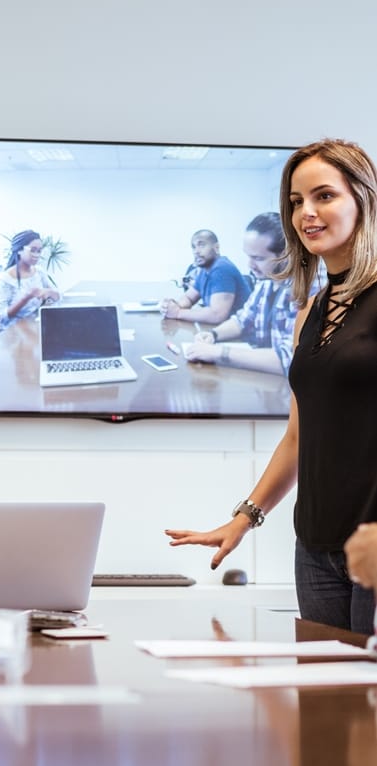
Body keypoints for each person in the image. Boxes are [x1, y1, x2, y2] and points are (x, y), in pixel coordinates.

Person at [166, 138, 377, 633]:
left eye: (324, 196)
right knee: (323, 708)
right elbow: (299, 438)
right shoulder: (312, 312)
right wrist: (244, 518)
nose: (307, 213)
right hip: (317, 549)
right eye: (296, 201)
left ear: (363, 199)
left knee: (367, 708)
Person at [183, 213, 315, 376]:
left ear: (286, 254)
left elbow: (290, 359)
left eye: (258, 258)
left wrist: (218, 352)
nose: (250, 265)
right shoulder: (266, 281)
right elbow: (242, 321)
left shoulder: (308, 288)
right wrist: (213, 335)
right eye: (248, 256)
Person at [159, 229, 252, 323]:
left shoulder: (222, 268)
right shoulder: (205, 271)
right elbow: (189, 298)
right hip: (222, 330)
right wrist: (173, 306)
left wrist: (178, 313)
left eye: (201, 245)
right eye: (193, 247)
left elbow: (217, 315)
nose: (196, 251)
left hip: (241, 333)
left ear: (216, 247)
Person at [0, 229, 61, 330]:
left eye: (39, 250)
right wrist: (26, 298)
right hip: (12, 333)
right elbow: (0, 318)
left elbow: (58, 296)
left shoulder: (39, 272)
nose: (37, 254)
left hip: (33, 327)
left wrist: (50, 292)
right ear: (19, 250)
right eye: (32, 250)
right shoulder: (5, 279)